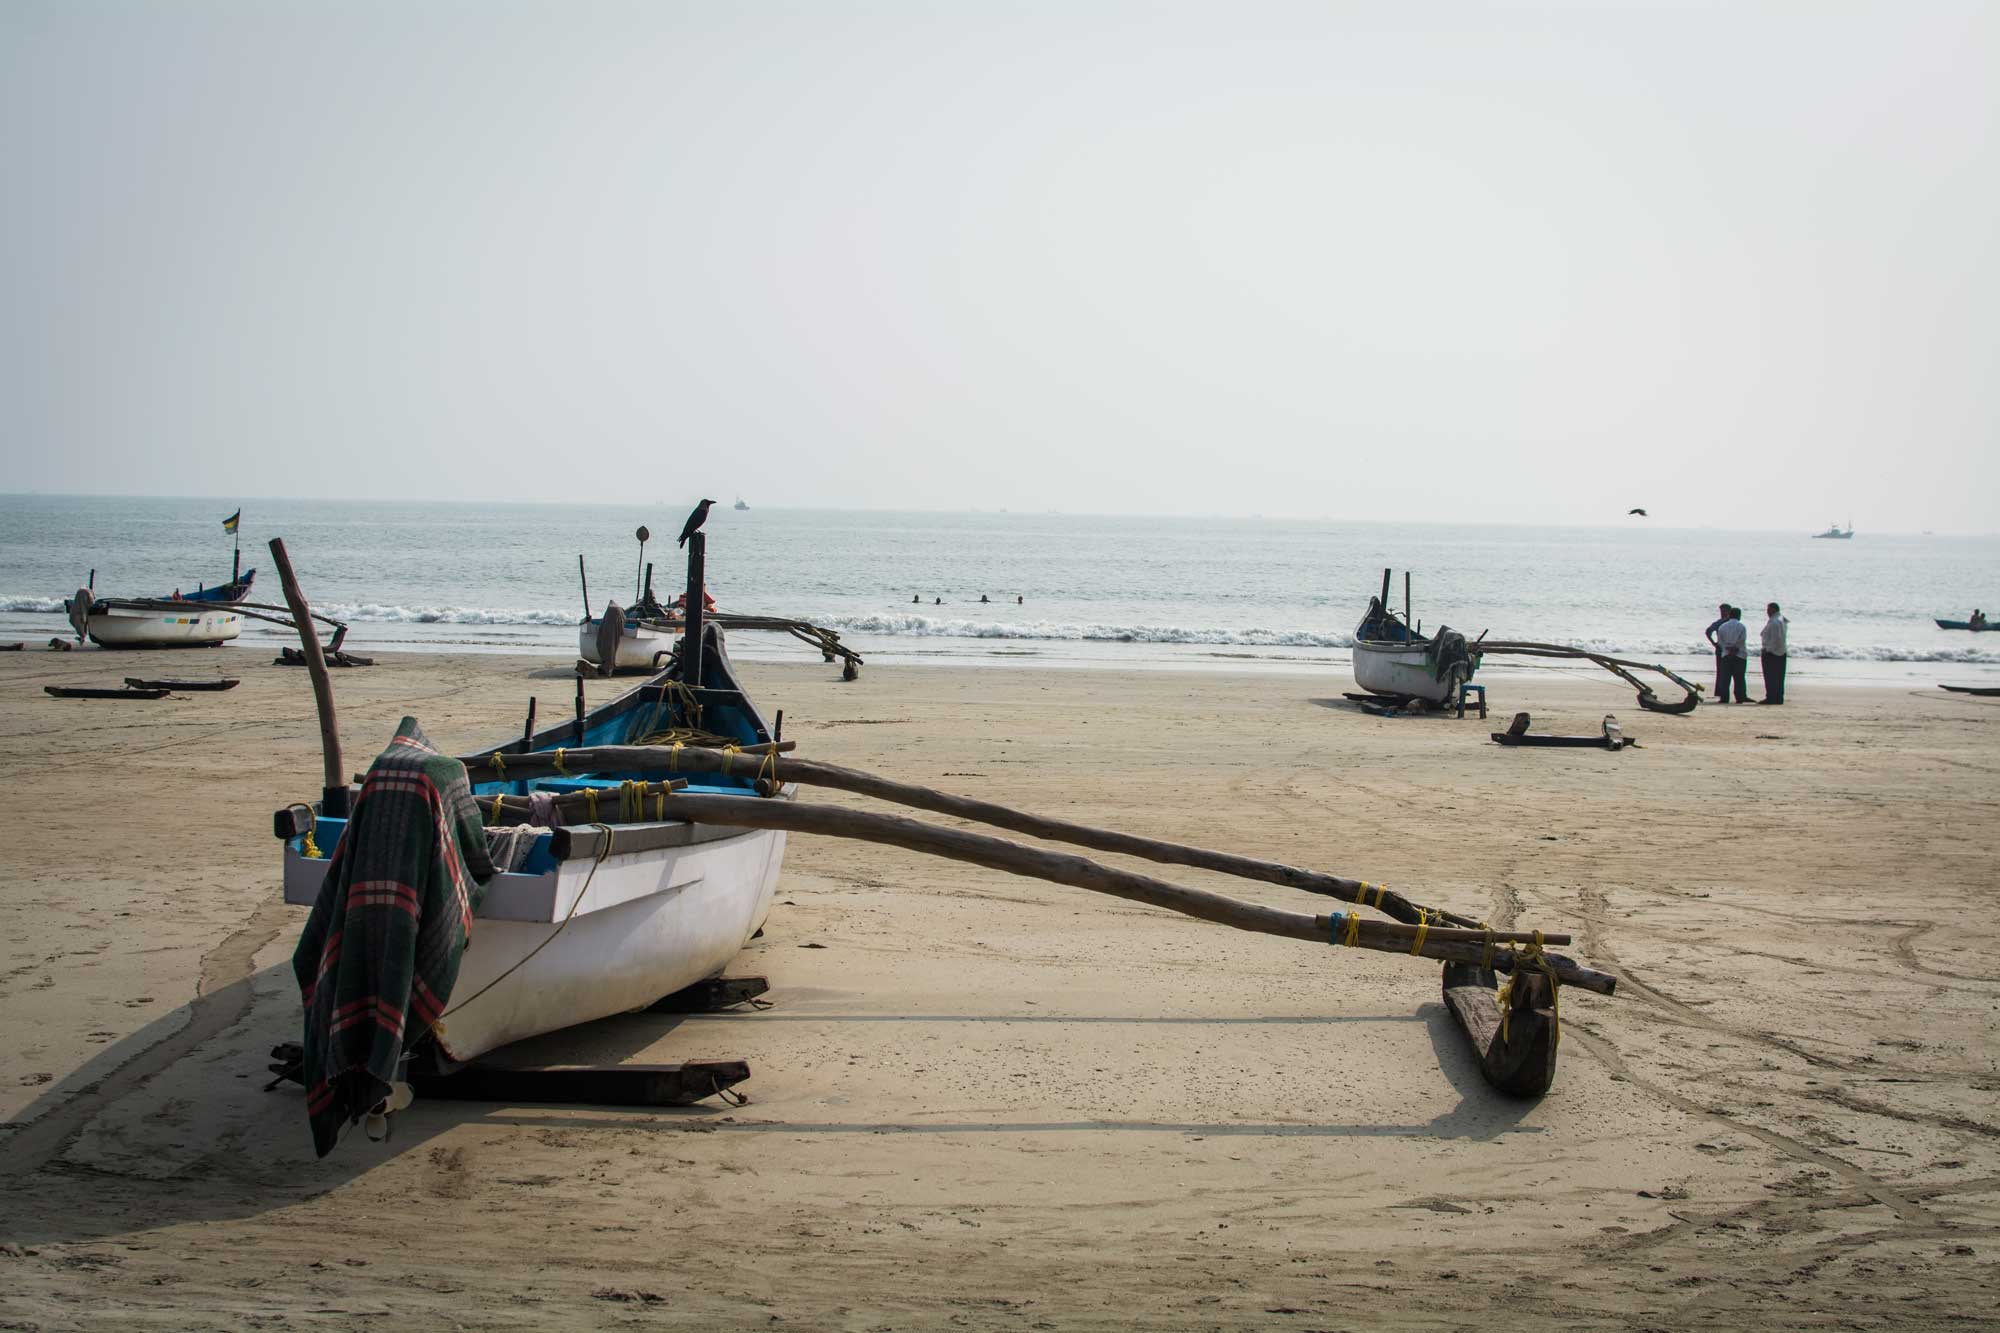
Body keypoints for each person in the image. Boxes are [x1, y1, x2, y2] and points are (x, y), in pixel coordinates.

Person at [1715, 606, 1751, 703]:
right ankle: (1740, 697)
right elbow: (1742, 640)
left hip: (1726, 654)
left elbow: (1720, 641)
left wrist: (1727, 648)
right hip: (1739, 655)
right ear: (1739, 616)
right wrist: (1734, 649)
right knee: (1739, 678)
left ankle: (1724, 697)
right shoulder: (1741, 626)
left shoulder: (1722, 626)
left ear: (1730, 615)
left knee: (1725, 678)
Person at [1759, 602, 1788, 704]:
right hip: (1781, 652)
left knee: (1770, 677)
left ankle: (1771, 697)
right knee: (1779, 677)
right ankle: (1778, 697)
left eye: (1768, 609)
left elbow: (1777, 639)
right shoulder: (1781, 619)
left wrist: (1769, 650)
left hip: (1772, 653)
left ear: (1773, 610)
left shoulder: (1775, 622)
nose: (1767, 612)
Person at [1704, 602, 1730, 700]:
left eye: (1724, 611)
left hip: (1726, 648)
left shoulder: (1726, 622)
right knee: (1721, 671)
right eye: (1721, 611)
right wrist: (1714, 643)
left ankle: (1724, 692)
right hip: (1720, 648)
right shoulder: (1719, 622)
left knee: (1727, 672)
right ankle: (1720, 692)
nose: (1722, 613)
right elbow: (1708, 631)